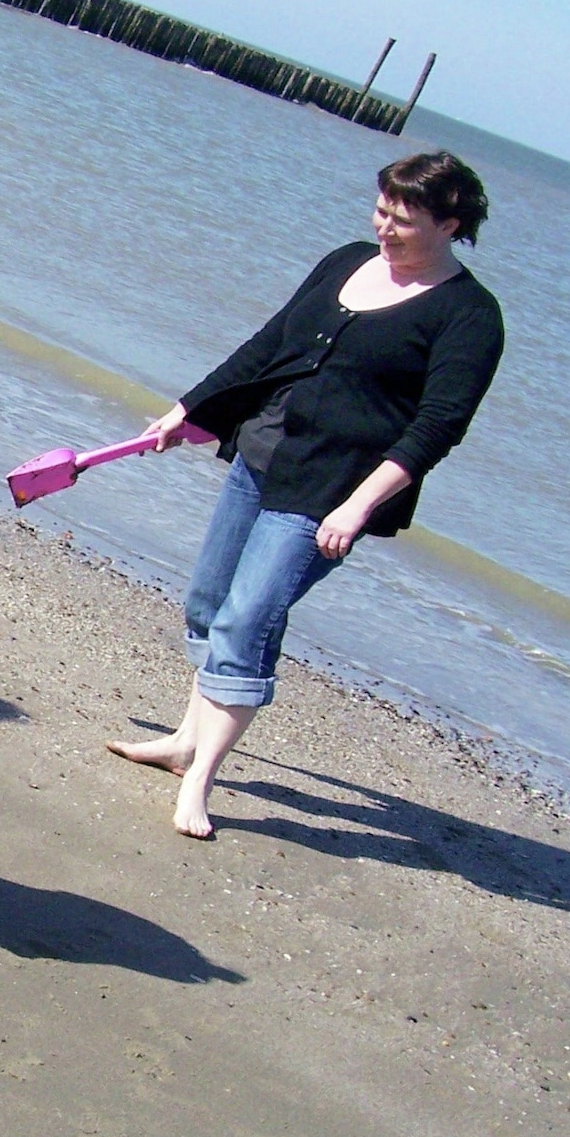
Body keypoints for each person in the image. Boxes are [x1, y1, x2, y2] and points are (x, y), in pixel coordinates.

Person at [107, 151, 504, 839]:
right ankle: (183, 740)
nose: (384, 228)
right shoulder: (346, 260)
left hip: (332, 491)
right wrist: (191, 408)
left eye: (403, 220)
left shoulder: (470, 316)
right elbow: (271, 345)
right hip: (263, 452)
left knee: (248, 619)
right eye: (381, 210)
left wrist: (359, 506)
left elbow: (437, 427)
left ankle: (200, 778)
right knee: (208, 602)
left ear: (451, 223)